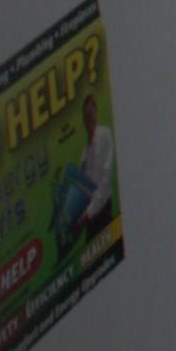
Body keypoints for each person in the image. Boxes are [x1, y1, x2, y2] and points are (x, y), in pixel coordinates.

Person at [50, 91, 115, 257]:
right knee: (89, 258)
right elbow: (81, 189)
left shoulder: (105, 134)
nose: (89, 119)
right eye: (86, 116)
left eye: (91, 113)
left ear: (96, 113)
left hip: (101, 210)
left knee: (106, 253)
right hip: (89, 216)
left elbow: (106, 179)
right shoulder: (84, 155)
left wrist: (90, 211)